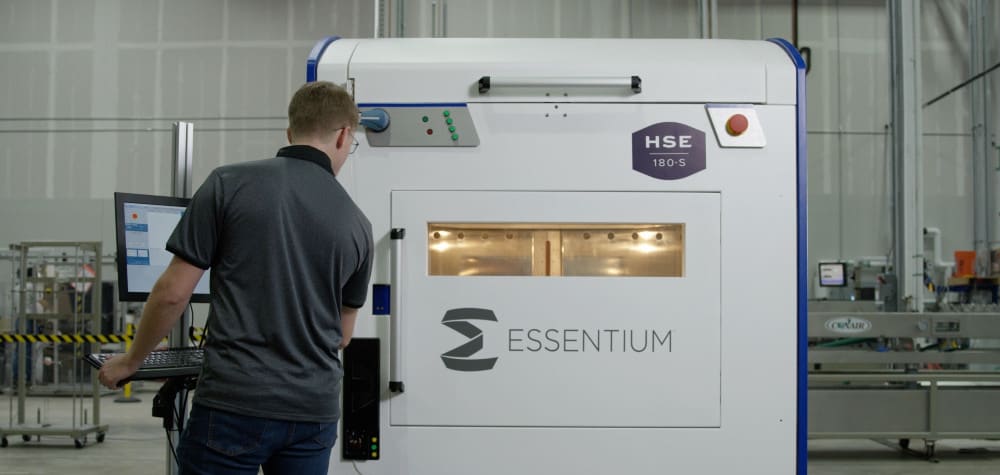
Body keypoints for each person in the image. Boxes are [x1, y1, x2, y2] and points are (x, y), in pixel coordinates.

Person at [99, 81, 374, 474]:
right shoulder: (358, 224)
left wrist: (132, 361)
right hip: (313, 412)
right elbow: (343, 335)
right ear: (344, 135)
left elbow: (173, 293)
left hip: (234, 404)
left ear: (290, 132)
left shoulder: (229, 184)